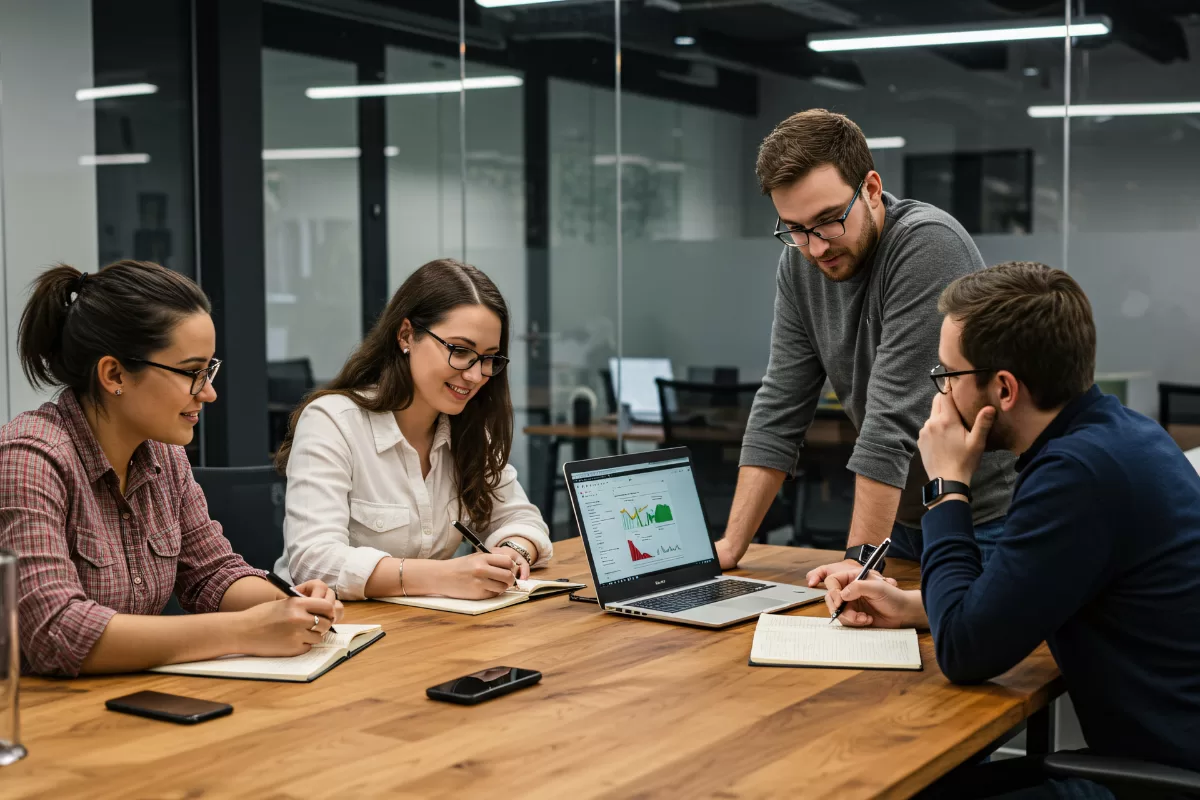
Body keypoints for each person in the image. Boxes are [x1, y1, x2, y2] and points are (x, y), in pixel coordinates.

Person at [825, 262, 1200, 796]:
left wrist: (947, 485)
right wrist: (915, 606)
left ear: (1003, 389)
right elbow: (1019, 593)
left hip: (1157, 780)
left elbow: (964, 653)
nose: (941, 397)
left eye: (948, 376)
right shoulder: (1120, 436)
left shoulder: (1076, 476)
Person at [0, 261, 343, 678]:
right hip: (42, 724)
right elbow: (56, 630)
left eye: (209, 371)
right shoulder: (29, 458)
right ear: (114, 374)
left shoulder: (164, 455)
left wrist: (283, 603)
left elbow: (212, 574)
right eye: (191, 373)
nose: (210, 392)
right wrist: (245, 629)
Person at [713, 109, 1015, 584]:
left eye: (829, 221)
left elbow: (890, 420)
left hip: (987, 520)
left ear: (872, 189)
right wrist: (732, 545)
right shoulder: (799, 265)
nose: (815, 247)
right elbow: (779, 404)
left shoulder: (926, 246)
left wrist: (859, 562)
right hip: (900, 519)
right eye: (794, 228)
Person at [274, 258, 551, 601]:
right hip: (335, 633)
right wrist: (446, 576)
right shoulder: (333, 422)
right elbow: (314, 563)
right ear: (406, 335)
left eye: (488, 357)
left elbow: (520, 519)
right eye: (460, 351)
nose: (476, 375)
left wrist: (513, 553)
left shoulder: (470, 429)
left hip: (429, 631)